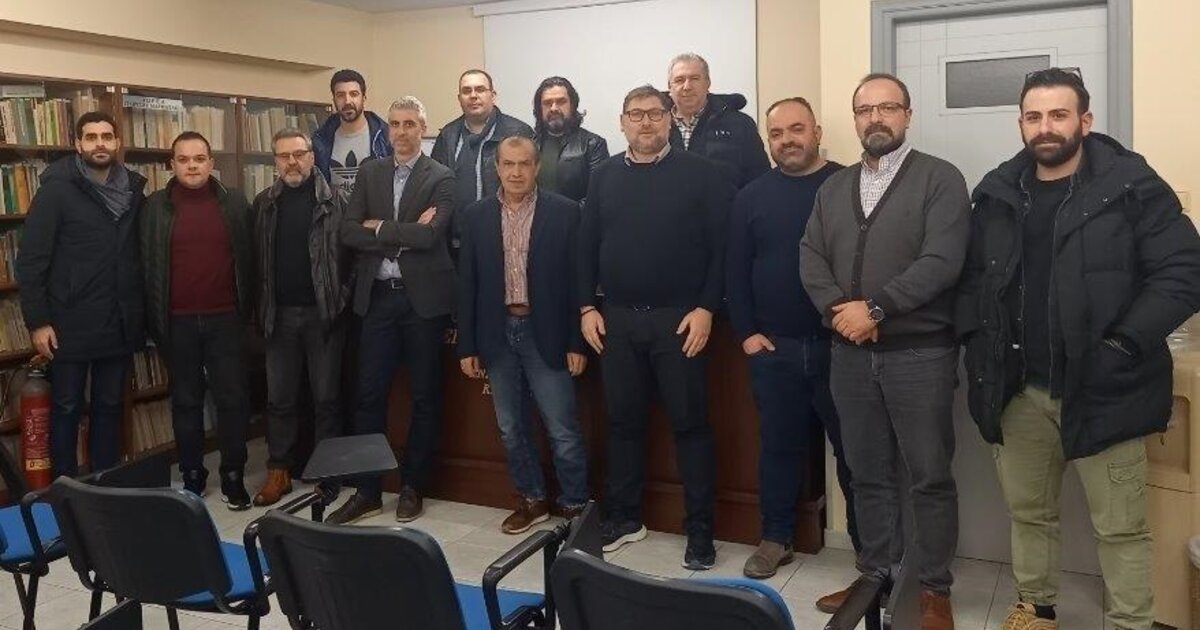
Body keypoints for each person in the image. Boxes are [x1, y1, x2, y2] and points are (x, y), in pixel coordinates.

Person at [957, 67, 1200, 630]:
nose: (1046, 127)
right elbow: (971, 281)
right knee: (1029, 515)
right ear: (1021, 123)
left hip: (1106, 389)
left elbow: (1184, 271)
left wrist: (1123, 342)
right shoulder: (997, 194)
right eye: (1034, 116)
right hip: (1018, 390)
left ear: (1084, 121)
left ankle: (1130, 623)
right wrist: (977, 342)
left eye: (1059, 115)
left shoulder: (1133, 187)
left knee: (1121, 529)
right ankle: (1036, 609)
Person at [799, 73, 970, 629]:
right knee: (866, 472)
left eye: (887, 107)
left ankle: (932, 588)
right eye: (865, 109)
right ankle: (876, 576)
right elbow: (811, 257)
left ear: (907, 115)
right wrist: (842, 315)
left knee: (929, 475)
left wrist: (875, 309)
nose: (875, 118)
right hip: (849, 356)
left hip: (920, 355)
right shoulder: (833, 188)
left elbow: (943, 261)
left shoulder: (940, 179)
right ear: (854, 119)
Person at [578, 84, 733, 571]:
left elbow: (722, 249)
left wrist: (706, 308)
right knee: (623, 423)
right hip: (618, 319)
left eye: (654, 113)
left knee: (690, 425)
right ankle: (625, 519)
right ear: (622, 122)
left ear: (669, 118)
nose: (645, 122)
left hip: (680, 320)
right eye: (635, 114)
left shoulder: (702, 174)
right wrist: (585, 307)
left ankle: (700, 530)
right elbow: (586, 245)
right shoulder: (603, 176)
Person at [725, 97, 858, 579]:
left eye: (796, 129)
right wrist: (747, 334)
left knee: (855, 453)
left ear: (817, 132)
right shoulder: (750, 197)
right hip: (774, 349)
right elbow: (736, 271)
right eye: (777, 134)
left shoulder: (848, 185)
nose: (787, 141)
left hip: (842, 348)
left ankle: (870, 550)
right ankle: (776, 538)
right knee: (778, 449)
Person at [326, 97, 456, 525]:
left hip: (422, 303)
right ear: (388, 131)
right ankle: (367, 491)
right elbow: (348, 231)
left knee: (425, 396)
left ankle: (413, 486)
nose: (402, 131)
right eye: (396, 124)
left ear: (423, 128)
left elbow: (431, 237)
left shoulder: (441, 176)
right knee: (369, 396)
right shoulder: (370, 172)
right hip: (378, 297)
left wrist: (379, 227)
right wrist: (406, 231)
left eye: (410, 124)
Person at [457, 135, 590, 534]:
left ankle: (575, 507)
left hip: (546, 333)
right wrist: (467, 344)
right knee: (511, 428)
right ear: (496, 168)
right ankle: (532, 499)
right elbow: (468, 283)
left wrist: (576, 342)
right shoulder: (476, 215)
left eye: (524, 164)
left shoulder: (565, 212)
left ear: (537, 167)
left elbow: (578, 282)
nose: (516, 172)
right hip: (497, 333)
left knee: (562, 429)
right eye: (509, 164)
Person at [16, 111, 147, 478]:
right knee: (66, 406)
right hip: (68, 321)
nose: (99, 144)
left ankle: (103, 483)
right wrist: (38, 322)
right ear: (78, 144)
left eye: (106, 136)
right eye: (91, 137)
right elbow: (31, 260)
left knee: (109, 405)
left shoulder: (133, 190)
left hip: (118, 319)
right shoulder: (56, 190)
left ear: (117, 142)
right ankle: (66, 489)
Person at [141, 131, 256, 508]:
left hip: (227, 320)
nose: (192, 166)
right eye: (184, 159)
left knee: (232, 400)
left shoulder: (234, 203)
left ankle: (233, 475)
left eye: (199, 158)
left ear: (211, 163)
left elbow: (251, 260)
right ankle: (192, 475)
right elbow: (144, 265)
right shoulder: (154, 208)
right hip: (176, 322)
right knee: (186, 401)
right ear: (171, 165)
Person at [251, 128, 351, 506]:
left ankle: (327, 475)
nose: (291, 162)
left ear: (312, 156)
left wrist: (340, 298)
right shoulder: (264, 203)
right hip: (278, 317)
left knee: (326, 399)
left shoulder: (337, 201)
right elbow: (255, 259)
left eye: (298, 154)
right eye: (283, 156)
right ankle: (279, 471)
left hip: (324, 316)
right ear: (275, 161)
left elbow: (355, 258)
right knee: (279, 399)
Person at [430, 69, 533, 246]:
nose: (473, 96)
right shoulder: (448, 135)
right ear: (459, 98)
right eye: (466, 91)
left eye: (480, 89)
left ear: (493, 95)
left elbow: (531, 186)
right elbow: (436, 186)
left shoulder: (519, 133)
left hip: (507, 239)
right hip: (458, 242)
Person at [666, 52, 769, 189]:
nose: (687, 86)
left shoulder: (740, 124)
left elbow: (760, 180)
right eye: (679, 80)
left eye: (695, 78)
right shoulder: (654, 125)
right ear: (669, 86)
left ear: (708, 83)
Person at [312, 68, 393, 195]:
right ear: (334, 100)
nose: (347, 101)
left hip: (376, 208)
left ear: (364, 98)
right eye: (340, 95)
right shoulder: (320, 140)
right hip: (335, 208)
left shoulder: (387, 136)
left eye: (354, 94)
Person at [531, 76, 608, 203]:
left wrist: (567, 213)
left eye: (561, 101)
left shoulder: (593, 145)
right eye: (547, 103)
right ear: (540, 109)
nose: (554, 108)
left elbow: (597, 196)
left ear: (573, 105)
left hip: (578, 215)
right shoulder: (530, 144)